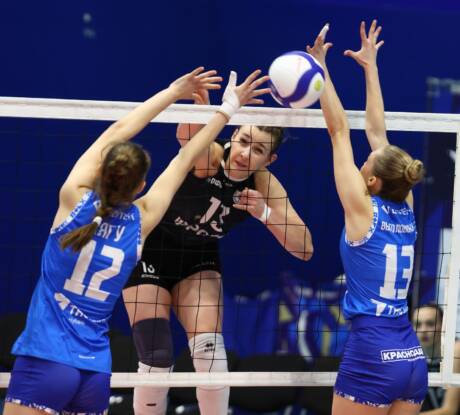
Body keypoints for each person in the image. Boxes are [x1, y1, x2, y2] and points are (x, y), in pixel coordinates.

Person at [3, 66, 270, 415]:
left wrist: (173, 91)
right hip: (94, 373)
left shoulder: (73, 201)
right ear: (141, 185)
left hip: (46, 359)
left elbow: (118, 131)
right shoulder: (141, 221)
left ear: (102, 172)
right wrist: (228, 109)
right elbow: (185, 158)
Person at [123, 70, 314, 415]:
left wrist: (265, 214)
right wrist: (202, 111)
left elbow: (305, 249)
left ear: (269, 160)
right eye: (243, 141)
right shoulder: (210, 156)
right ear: (233, 135)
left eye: (258, 150)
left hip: (199, 259)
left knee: (211, 355)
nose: (245, 154)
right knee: (156, 356)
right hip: (152, 251)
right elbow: (187, 138)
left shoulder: (265, 184)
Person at [308, 21, 427, 414]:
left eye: (366, 163)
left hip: (373, 354)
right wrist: (370, 67)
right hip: (411, 357)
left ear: (372, 180)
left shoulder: (362, 209)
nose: (362, 161)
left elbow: (339, 131)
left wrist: (319, 69)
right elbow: (378, 134)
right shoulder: (406, 204)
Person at [413, 304, 460, 414]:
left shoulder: (456, 350)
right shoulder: (411, 353)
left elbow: (450, 411)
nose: (423, 330)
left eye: (430, 324)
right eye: (418, 324)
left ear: (443, 326)